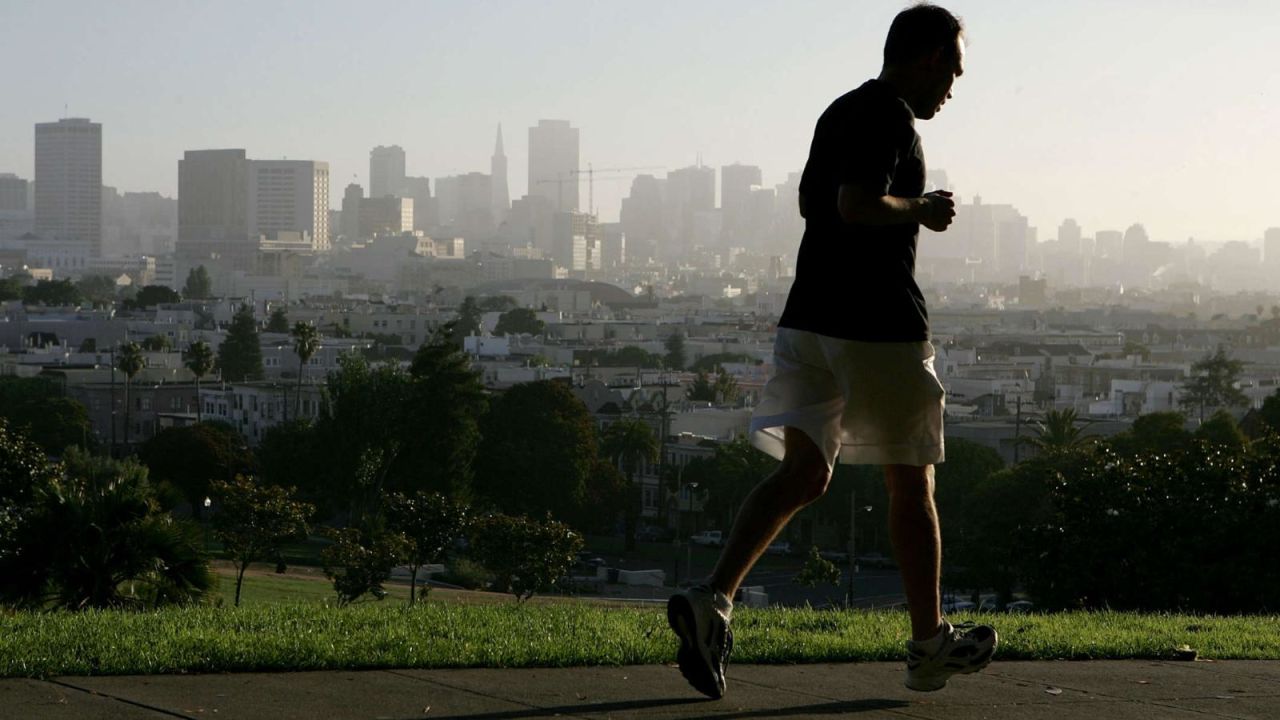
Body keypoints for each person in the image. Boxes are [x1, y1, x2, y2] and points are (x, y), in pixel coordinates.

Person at [666, 3, 997, 700]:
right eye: (953, 72)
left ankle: (713, 601)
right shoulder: (890, 119)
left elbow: (812, 204)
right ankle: (929, 643)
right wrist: (922, 211)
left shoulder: (837, 111)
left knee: (805, 474)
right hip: (876, 325)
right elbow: (854, 203)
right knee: (912, 481)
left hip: (808, 319)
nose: (952, 91)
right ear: (930, 57)